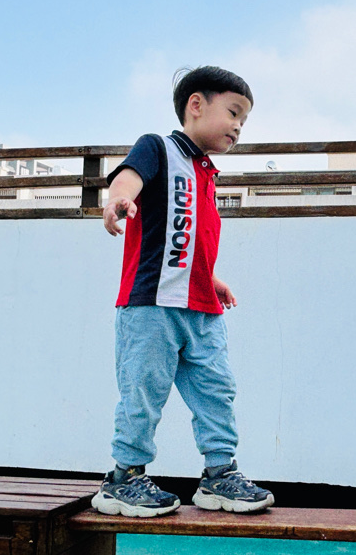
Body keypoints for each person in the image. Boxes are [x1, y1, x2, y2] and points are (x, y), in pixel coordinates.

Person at [92, 66, 274, 517]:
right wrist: (119, 198)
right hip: (151, 306)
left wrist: (209, 277)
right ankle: (123, 478)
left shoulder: (206, 173)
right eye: (233, 112)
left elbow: (188, 235)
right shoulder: (158, 148)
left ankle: (219, 474)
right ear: (196, 104)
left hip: (202, 307)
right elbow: (128, 177)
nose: (238, 126)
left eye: (244, 120)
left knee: (217, 390)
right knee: (143, 392)